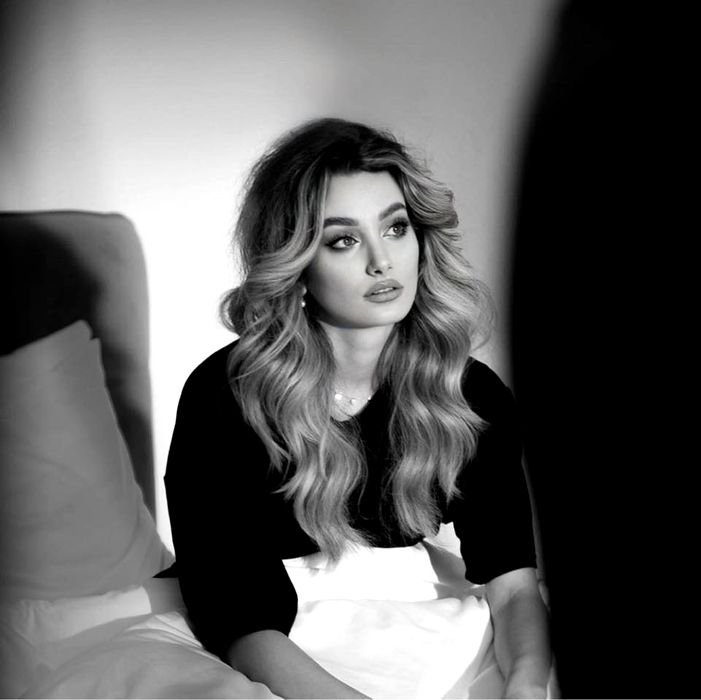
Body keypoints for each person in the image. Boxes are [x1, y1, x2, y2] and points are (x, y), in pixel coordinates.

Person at [164, 117, 551, 699]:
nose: (381, 261)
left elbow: (514, 584)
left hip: (430, 628)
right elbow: (240, 620)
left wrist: (526, 684)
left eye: (395, 228)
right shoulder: (226, 394)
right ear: (296, 262)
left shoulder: (468, 392)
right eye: (343, 240)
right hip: (279, 653)